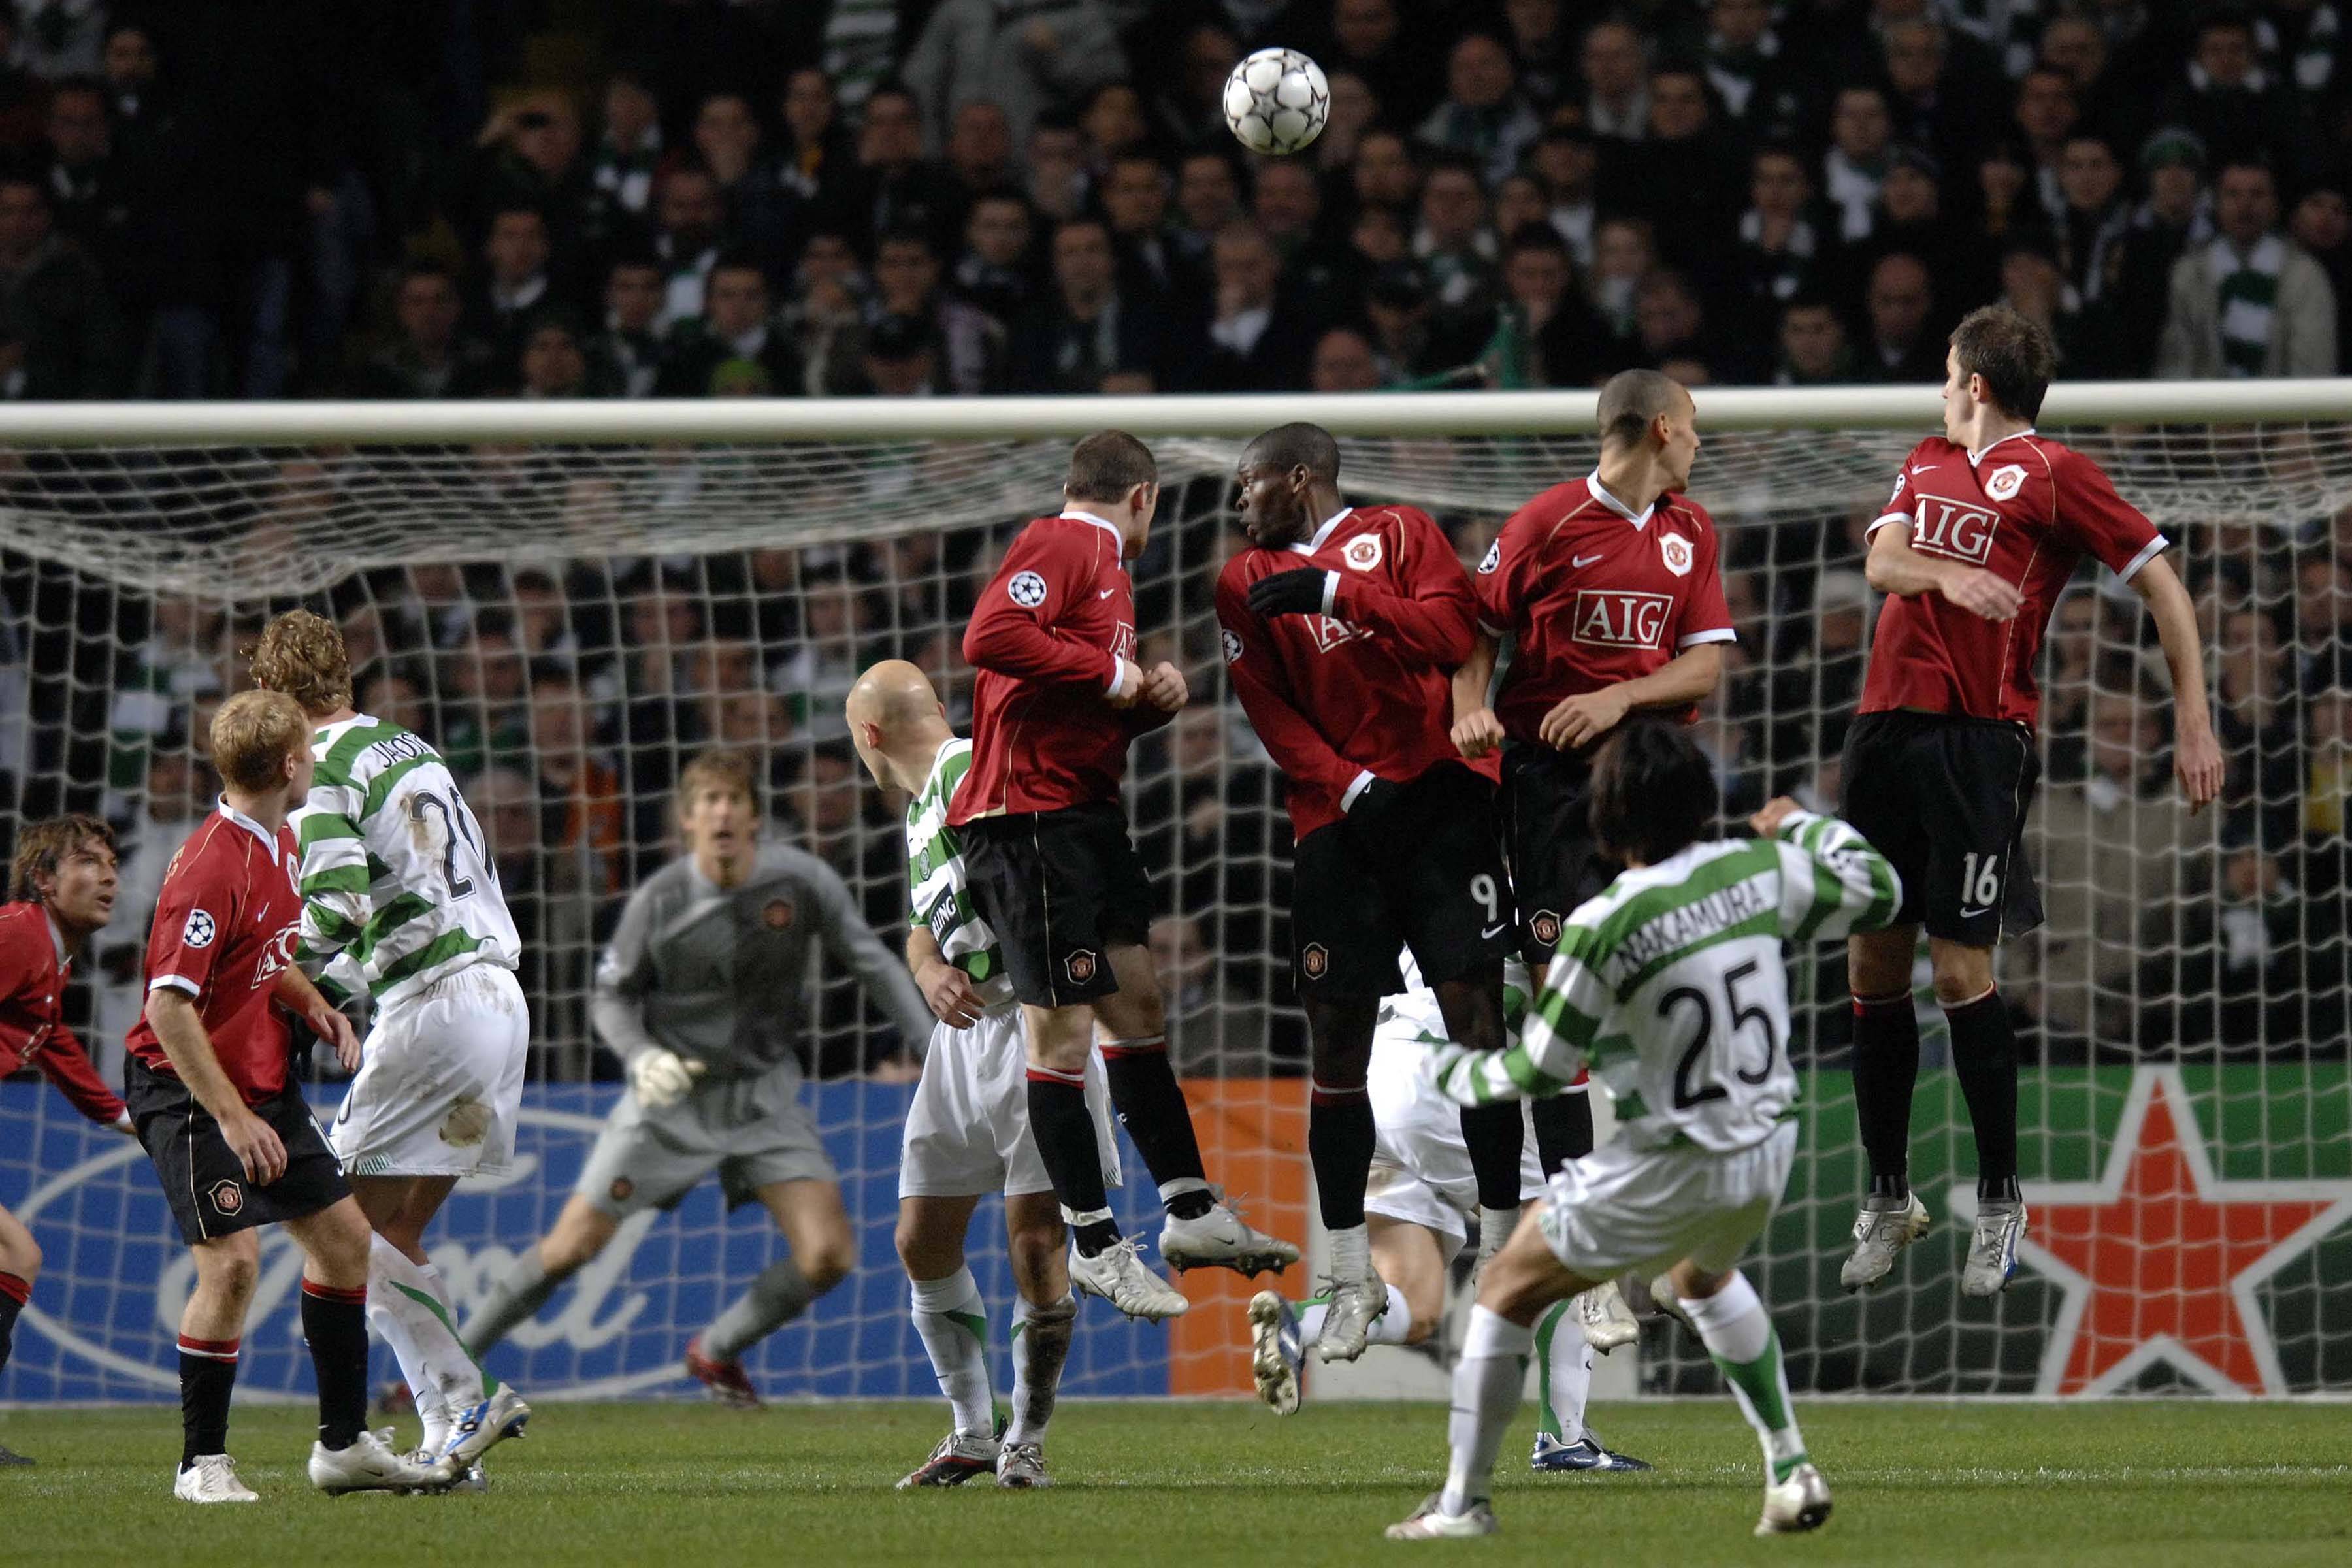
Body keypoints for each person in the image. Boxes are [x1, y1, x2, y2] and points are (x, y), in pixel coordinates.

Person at [1386, 722, 1903, 1541]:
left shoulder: (1605, 924)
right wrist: (1802, 823)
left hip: (1670, 1160)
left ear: (1606, 818)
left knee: (1504, 1289)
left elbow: (1542, 1071)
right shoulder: (1758, 870)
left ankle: (1461, 1505)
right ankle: (1790, 1466)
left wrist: (1450, 1071)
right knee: (1703, 1279)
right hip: (1768, 1145)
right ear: (1703, 804)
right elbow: (1882, 891)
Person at [1838, 304, 2223, 1299]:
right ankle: (1888, 1195)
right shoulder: (1925, 460)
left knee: (1959, 970)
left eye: (1947, 375)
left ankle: (2000, 1201)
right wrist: (1950, 578)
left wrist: (2193, 721)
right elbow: (1881, 563)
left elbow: (2165, 586)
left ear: (1975, 382)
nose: (1939, 392)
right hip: (1883, 733)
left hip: (1980, 740)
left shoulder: (2056, 473)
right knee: (1872, 967)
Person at [949, 431, 1298, 1320]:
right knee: (1061, 1037)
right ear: (1143, 497)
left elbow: (1064, 705)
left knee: (1138, 1009)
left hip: (1084, 814)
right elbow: (989, 634)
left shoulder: (1110, 573)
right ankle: (1096, 1243)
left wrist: (1143, 707)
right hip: (1028, 821)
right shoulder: (1066, 541)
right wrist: (1114, 670)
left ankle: (1191, 1210)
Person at [461, 749, 934, 1403]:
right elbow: (610, 997)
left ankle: (715, 1351)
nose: (722, 813)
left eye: (734, 800)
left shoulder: (801, 881)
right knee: (571, 1247)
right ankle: (450, 1365)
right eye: (709, 802)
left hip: (765, 1097)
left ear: (755, 816)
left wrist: (931, 1045)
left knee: (828, 1255)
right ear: (687, 820)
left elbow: (873, 964)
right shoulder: (660, 900)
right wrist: (642, 1057)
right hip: (669, 1101)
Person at [1213, 421, 1514, 1361]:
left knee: (1479, 1022)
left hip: (1443, 805)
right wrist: (1349, 788)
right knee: (1337, 1045)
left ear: (1298, 478)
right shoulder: (1241, 582)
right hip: (1337, 824)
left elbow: (1454, 636)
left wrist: (1340, 592)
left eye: (1249, 482)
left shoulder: (1402, 531)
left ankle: (1504, 1247)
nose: (1238, 501)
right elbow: (1269, 709)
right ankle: (1345, 1275)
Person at [122, 691, 443, 1503]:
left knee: (344, 1240)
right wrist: (231, 1118)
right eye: (310, 755)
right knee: (234, 1266)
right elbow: (168, 1007)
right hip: (188, 1091)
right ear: (293, 764)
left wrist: (313, 1004)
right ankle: (201, 1465)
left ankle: (345, 1447)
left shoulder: (275, 842)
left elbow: (264, 951)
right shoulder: (211, 866)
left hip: (263, 1079)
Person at [250, 609, 532, 1479]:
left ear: (271, 694)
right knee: (394, 1233)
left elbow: (336, 908)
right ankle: (451, 1433)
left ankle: (469, 1393)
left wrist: (269, 982)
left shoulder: (322, 767)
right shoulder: (407, 747)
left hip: (435, 1006)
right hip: (499, 1001)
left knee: (332, 1223)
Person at [1449, 370, 1735, 1227]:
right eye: (1692, 424)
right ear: (1659, 429)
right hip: (1553, 781)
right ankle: (1577, 1228)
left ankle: (1675, 1197)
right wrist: (1469, 709)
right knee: (1559, 995)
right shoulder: (1545, 522)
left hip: (1650, 777)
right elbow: (1478, 633)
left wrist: (1619, 697)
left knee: (1675, 987)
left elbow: (1704, 665)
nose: (1699, 440)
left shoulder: (1692, 530)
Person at [847, 661, 1112, 1490]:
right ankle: (971, 1430)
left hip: (1034, 1024)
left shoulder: (972, 769)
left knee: (1035, 1243)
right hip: (961, 1042)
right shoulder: (923, 806)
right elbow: (923, 927)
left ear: (868, 736)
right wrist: (929, 971)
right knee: (921, 1239)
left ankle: (1025, 1440)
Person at [1244, 953, 1648, 1475]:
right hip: (1452, 1089)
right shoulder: (1537, 921)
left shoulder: (1440, 911)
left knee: (1415, 1302)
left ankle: (1299, 1324)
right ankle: (1565, 1439)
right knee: (1561, 1232)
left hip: (1373, 1089)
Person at [0, 814, 138, 1465]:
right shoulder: (19, 934)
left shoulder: (50, 957)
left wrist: (142, 1126)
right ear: (44, 879)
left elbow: (62, 1055)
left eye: (111, 864)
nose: (108, 877)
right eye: (87, 862)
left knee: (16, 1254)